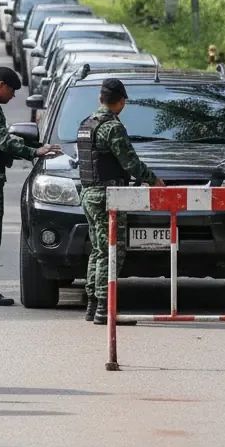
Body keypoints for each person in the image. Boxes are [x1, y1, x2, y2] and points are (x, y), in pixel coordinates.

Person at [0, 66, 61, 306]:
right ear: (1, 86)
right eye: (12, 91)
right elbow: (4, 142)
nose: (13, 97)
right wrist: (34, 151)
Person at [77, 78, 164, 325]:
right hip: (108, 197)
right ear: (122, 101)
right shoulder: (112, 127)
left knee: (98, 250)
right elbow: (131, 163)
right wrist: (152, 179)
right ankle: (106, 308)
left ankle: (93, 305)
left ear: (100, 98)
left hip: (89, 194)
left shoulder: (87, 124)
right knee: (112, 252)